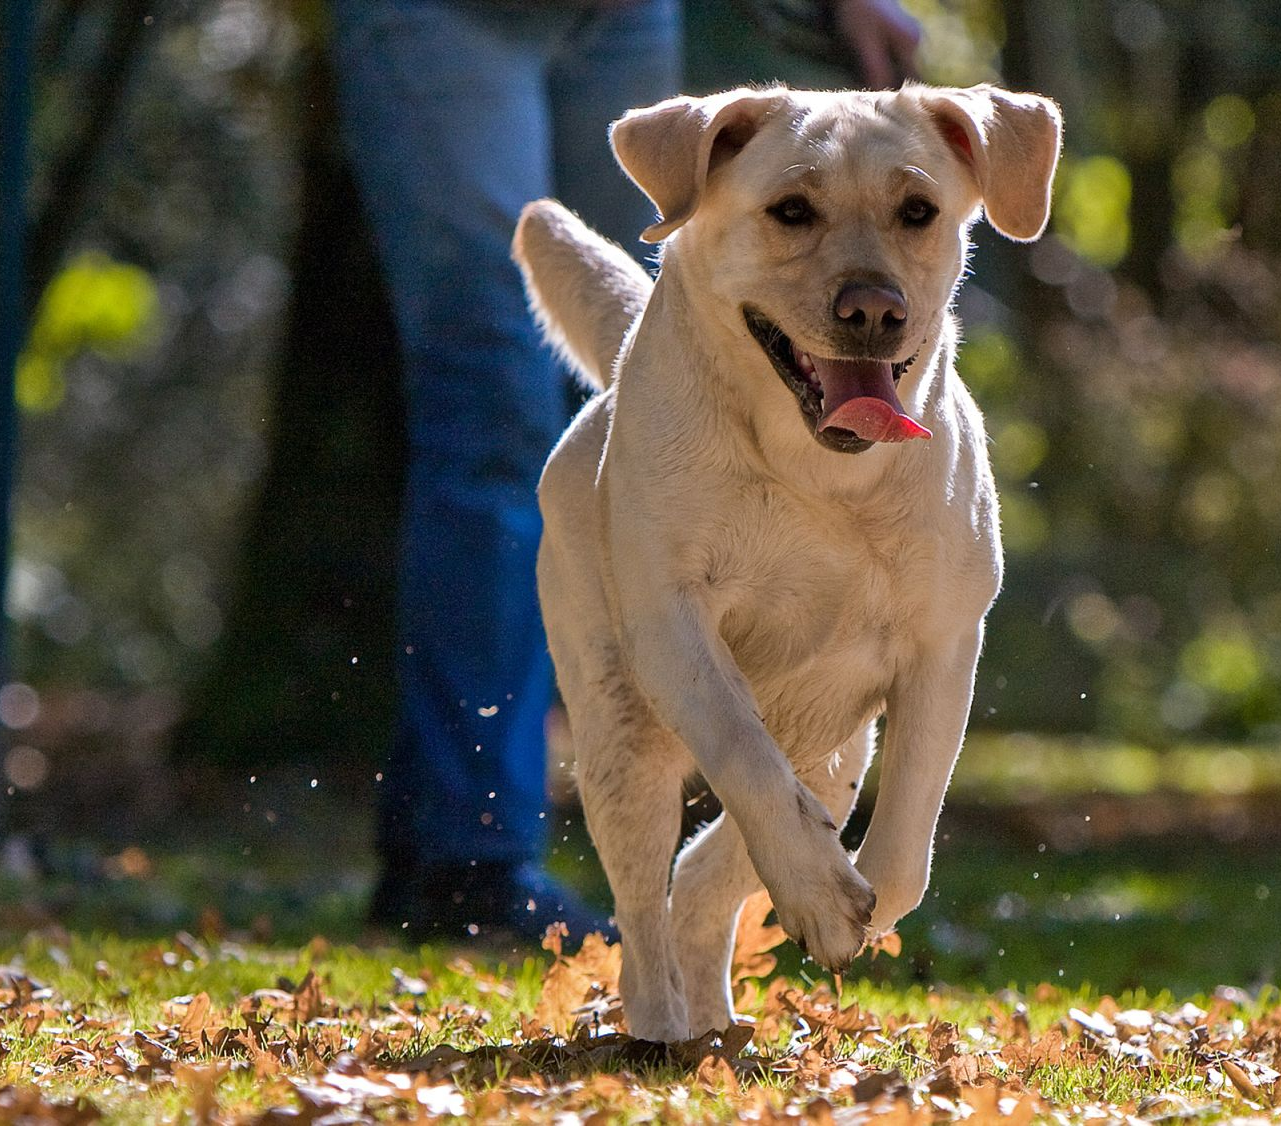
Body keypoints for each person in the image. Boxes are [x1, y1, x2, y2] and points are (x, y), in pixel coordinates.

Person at [330, 0, 920, 943]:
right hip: (442, 19)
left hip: (620, 17)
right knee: (494, 405)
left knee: (658, 378)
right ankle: (466, 858)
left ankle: (678, 810)